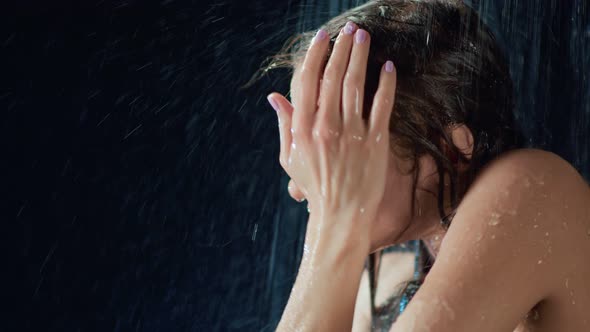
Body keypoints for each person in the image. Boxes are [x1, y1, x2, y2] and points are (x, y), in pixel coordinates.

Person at [257, 0, 590, 330]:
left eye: (339, 149)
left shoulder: (534, 191)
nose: (301, 185)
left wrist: (334, 226)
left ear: (453, 147)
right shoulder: (389, 267)